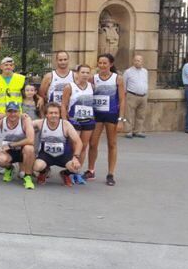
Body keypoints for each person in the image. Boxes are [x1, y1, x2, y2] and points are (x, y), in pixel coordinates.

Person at [86, 54, 126, 186]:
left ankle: (110, 173)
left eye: (105, 63)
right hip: (97, 114)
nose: (102, 65)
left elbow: (122, 100)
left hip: (111, 114)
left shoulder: (117, 79)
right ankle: (91, 170)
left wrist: (121, 119)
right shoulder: (93, 79)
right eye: (100, 63)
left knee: (112, 144)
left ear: (111, 64)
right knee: (93, 143)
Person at [33, 103, 84, 186]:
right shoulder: (40, 123)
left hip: (63, 155)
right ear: (46, 114)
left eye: (56, 113)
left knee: (76, 168)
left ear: (60, 114)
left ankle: (65, 174)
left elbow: (78, 142)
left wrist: (75, 157)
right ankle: (43, 172)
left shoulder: (66, 125)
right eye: (51, 113)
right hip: (46, 155)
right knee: (36, 167)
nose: (53, 115)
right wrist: (24, 117)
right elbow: (24, 125)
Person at [60, 64, 94, 183]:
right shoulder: (69, 87)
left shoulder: (92, 86)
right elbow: (63, 105)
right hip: (74, 121)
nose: (85, 75)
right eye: (82, 72)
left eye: (87, 73)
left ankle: (77, 172)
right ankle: (69, 171)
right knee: (74, 146)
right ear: (77, 73)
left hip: (88, 120)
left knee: (84, 146)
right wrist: (64, 121)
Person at [0, 103, 36, 189]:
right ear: (6, 112)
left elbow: (31, 140)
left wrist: (11, 145)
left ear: (19, 112)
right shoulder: (1, 121)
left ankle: (27, 177)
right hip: (9, 152)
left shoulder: (25, 120)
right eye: (10, 111)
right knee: (1, 160)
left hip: (22, 151)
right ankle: (9, 169)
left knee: (29, 148)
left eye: (15, 111)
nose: (13, 114)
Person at [123, 54, 148, 138]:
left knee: (141, 115)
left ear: (142, 62)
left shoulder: (145, 71)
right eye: (135, 60)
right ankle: (128, 131)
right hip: (132, 95)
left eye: (139, 60)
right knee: (129, 114)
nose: (137, 62)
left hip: (143, 96)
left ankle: (138, 131)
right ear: (133, 61)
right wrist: (125, 94)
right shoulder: (128, 72)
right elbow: (124, 84)